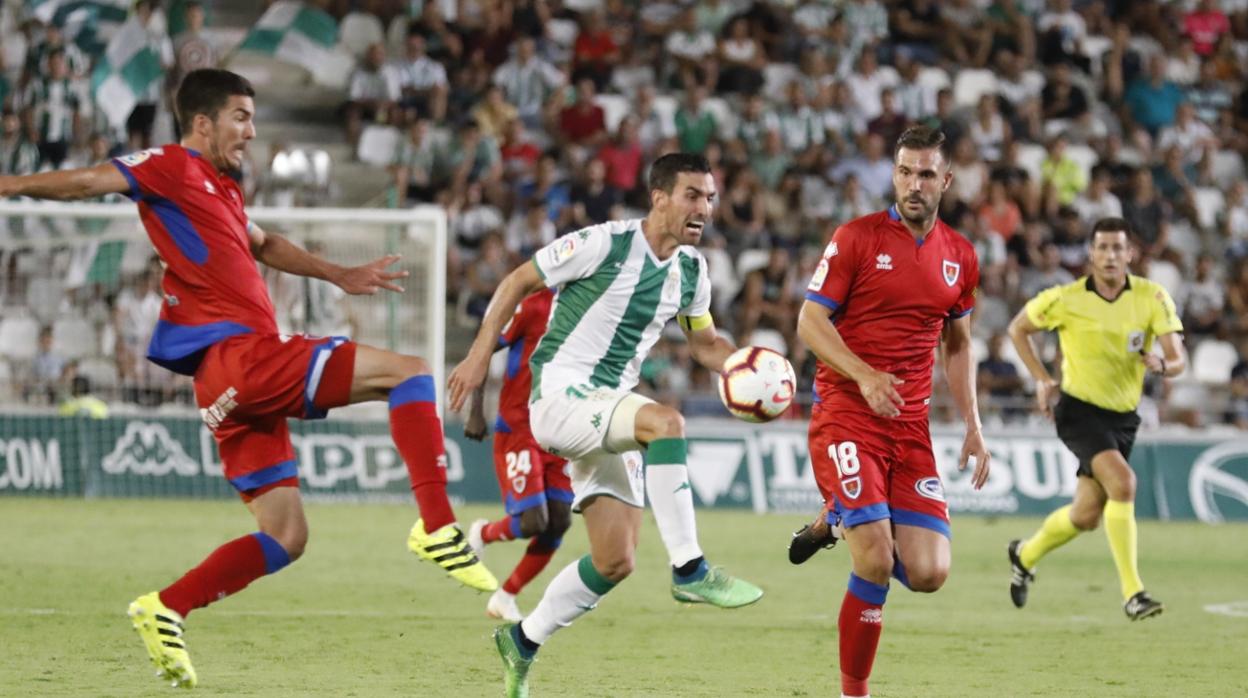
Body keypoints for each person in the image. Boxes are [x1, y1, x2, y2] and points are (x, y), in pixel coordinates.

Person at [0, 68, 496, 689]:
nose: (251, 131)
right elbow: (84, 182)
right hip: (243, 358)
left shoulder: (223, 192)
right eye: (240, 117)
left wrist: (337, 274)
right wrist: (8, 184)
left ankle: (165, 607)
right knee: (411, 374)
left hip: (223, 387)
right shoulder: (171, 166)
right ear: (202, 122)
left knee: (287, 535)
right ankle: (436, 524)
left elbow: (266, 244)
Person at [448, 153, 764, 697]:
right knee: (667, 423)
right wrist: (479, 359)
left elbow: (706, 344)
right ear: (659, 196)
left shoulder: (691, 271)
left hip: (607, 408)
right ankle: (690, 568)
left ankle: (522, 640)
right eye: (693, 195)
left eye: (710, 198)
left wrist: (749, 366)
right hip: (560, 396)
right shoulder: (603, 243)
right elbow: (515, 282)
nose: (704, 209)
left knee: (614, 560)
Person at [797, 125, 991, 698]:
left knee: (929, 574)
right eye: (905, 171)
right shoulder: (857, 238)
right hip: (846, 413)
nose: (913, 183)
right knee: (877, 560)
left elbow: (957, 345)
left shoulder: (960, 256)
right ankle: (853, 693)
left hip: (909, 428)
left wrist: (974, 425)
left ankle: (838, 516)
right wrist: (865, 375)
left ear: (946, 181)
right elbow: (810, 321)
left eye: (926, 174)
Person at [1006, 217, 1186, 622]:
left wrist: (1162, 364)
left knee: (1086, 515)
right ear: (1090, 254)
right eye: (1102, 248)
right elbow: (1017, 329)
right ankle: (1133, 593)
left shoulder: (1151, 297)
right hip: (1078, 410)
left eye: (1117, 248)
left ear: (1131, 254)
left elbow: (1179, 358)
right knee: (1124, 483)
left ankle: (1024, 554)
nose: (1110, 255)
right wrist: (1041, 378)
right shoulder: (1065, 298)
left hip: (1123, 417)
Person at [464, 288, 574, 623]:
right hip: (520, 427)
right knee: (532, 522)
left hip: (560, 430)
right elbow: (484, 346)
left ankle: (506, 596)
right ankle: (482, 533)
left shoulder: (591, 307)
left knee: (559, 522)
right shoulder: (533, 304)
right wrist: (476, 409)